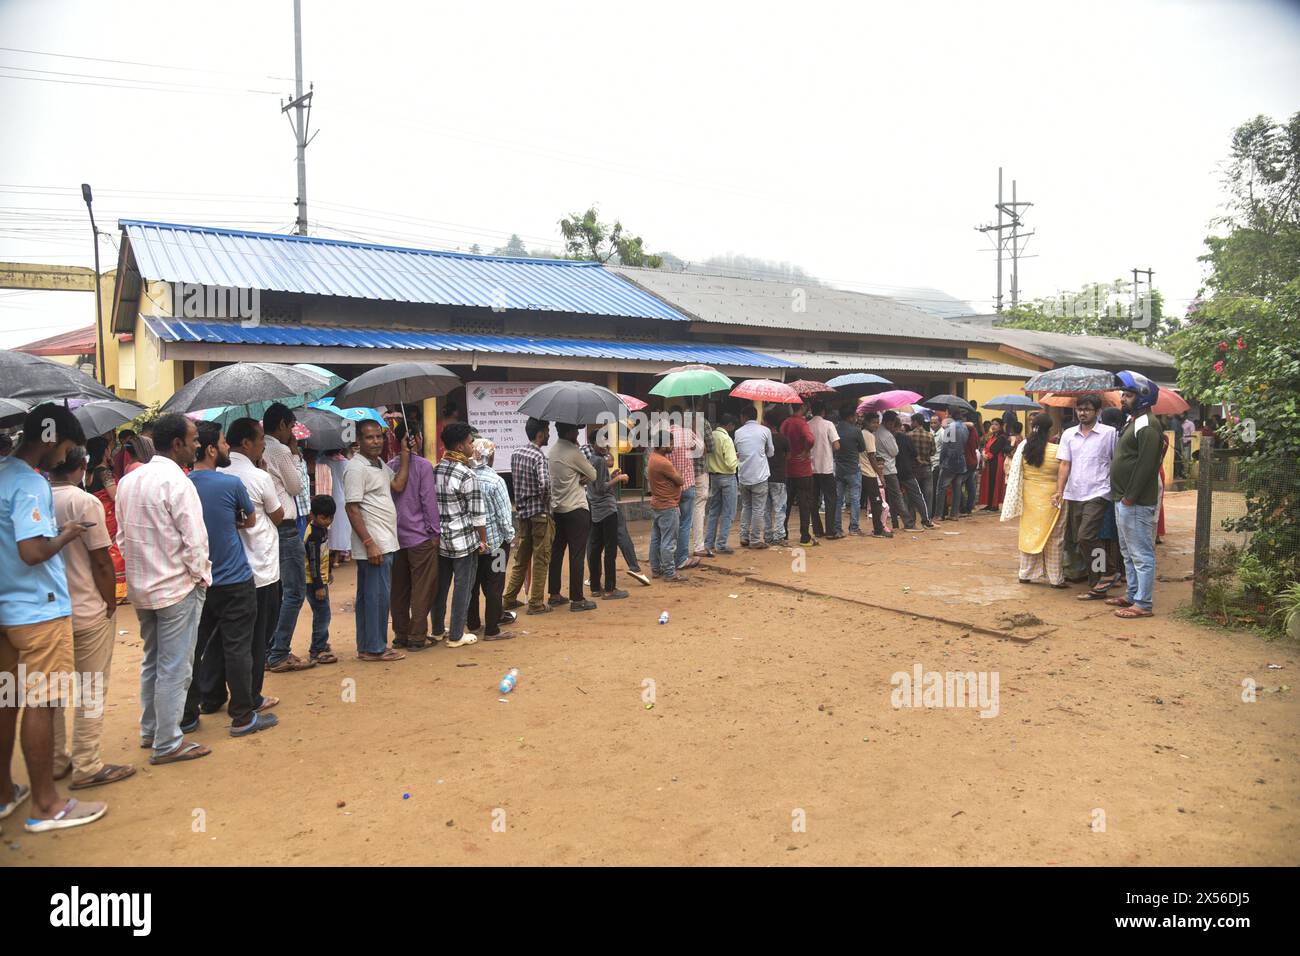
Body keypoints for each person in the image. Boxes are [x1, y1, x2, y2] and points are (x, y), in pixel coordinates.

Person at [0, 404, 110, 831]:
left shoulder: (3, 474)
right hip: (40, 611)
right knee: (43, 703)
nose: (64, 457)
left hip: (7, 609)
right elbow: (32, 551)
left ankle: (6, 793)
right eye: (65, 447)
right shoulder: (30, 483)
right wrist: (66, 534)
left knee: (7, 700)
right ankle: (47, 805)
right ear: (49, 438)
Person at [115, 412, 212, 765]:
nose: (198, 445)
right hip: (175, 588)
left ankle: (151, 730)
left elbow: (122, 538)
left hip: (144, 589)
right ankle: (168, 741)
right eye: (194, 440)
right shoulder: (179, 483)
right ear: (177, 444)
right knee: (175, 665)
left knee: (154, 661)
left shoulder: (130, 481)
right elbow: (195, 541)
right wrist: (199, 577)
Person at [48, 448, 135, 788]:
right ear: (82, 466)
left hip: (50, 611)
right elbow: (101, 560)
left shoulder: (34, 497)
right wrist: (109, 602)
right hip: (87, 607)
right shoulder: (84, 502)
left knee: (52, 690)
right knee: (91, 687)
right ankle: (87, 763)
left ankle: (56, 759)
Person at [185, 421, 278, 738]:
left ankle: (192, 712)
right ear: (211, 449)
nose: (228, 448)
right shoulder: (230, 484)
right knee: (238, 647)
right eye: (224, 443)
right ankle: (242, 715)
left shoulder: (183, 485)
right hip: (236, 579)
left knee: (195, 647)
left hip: (199, 580)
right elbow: (250, 520)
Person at [218, 419, 286, 708]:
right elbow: (278, 514)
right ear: (246, 443)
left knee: (226, 637)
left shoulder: (218, 472)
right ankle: (251, 696)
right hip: (261, 568)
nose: (263, 445)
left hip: (228, 568)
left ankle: (213, 694)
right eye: (260, 440)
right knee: (257, 639)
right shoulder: (258, 477)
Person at [345, 419, 410, 661]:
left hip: (384, 540)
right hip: (375, 543)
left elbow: (398, 483)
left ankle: (368, 646)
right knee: (377, 597)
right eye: (370, 438)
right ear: (359, 441)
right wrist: (370, 542)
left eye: (379, 437)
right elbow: (352, 508)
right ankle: (375, 647)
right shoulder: (356, 468)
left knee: (370, 597)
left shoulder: (379, 464)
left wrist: (404, 452)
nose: (376, 442)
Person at [1108, 372, 1165, 619]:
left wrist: (1130, 496)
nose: (1122, 398)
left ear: (1142, 397)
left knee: (1141, 553)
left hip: (1135, 501)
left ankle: (1143, 603)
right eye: (1123, 394)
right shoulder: (1134, 421)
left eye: (1128, 395)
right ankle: (1132, 595)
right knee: (1127, 552)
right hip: (1123, 499)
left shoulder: (1149, 425)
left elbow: (1147, 465)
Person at [262, 404, 313, 673]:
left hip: (271, 527)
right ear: (282, 424)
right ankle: (278, 651)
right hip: (287, 527)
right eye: (291, 426)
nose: (292, 432)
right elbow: (296, 486)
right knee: (294, 592)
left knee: (277, 591)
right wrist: (293, 454)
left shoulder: (261, 449)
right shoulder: (279, 450)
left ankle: (272, 648)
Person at [1052, 394, 1119, 598]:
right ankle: (1098, 583)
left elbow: (1116, 461)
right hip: (1075, 493)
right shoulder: (1069, 435)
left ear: (1097, 412)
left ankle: (1107, 572)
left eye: (1087, 409)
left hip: (1099, 492)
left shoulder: (1110, 434)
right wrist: (1059, 491)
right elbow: (1064, 464)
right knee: (1080, 540)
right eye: (1080, 409)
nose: (1082, 412)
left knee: (1086, 535)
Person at [433, 422, 488, 643]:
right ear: (459, 446)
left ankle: (437, 629)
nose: (472, 445)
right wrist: (483, 540)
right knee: (463, 587)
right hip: (464, 539)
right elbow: (478, 514)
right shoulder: (467, 475)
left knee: (441, 587)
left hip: (441, 538)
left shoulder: (435, 469)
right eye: (469, 442)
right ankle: (456, 634)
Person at [388, 423, 440, 652]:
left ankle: (401, 634)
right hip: (419, 536)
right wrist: (434, 532)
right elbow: (428, 501)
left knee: (399, 589)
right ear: (416, 439)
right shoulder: (423, 467)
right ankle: (417, 635)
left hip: (395, 536)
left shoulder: (388, 466)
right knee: (422, 588)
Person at [1002, 413, 1067, 587]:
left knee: (1029, 534)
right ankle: (1056, 578)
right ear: (1050, 429)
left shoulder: (1025, 449)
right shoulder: (1057, 451)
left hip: (1030, 496)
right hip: (1053, 497)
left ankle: (1025, 573)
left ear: (1032, 427)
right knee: (1054, 537)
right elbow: (1066, 470)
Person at [466, 438, 518, 639]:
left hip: (473, 543)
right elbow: (504, 516)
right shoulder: (496, 481)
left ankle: (472, 622)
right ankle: (492, 628)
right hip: (496, 545)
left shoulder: (467, 477)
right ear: (490, 456)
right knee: (495, 584)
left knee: (473, 585)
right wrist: (509, 538)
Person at [505, 418, 557, 614]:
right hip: (540, 514)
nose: (549, 435)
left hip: (523, 513)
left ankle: (509, 598)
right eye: (547, 431)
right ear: (540, 434)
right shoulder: (539, 456)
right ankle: (536, 602)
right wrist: (545, 502)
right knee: (541, 558)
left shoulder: (516, 453)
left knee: (522, 558)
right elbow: (545, 485)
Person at [547, 423, 597, 611]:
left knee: (557, 552)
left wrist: (579, 475)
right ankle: (577, 599)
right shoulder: (573, 452)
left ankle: (554, 594)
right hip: (576, 508)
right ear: (569, 432)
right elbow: (593, 473)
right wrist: (581, 475)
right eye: (575, 430)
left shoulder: (553, 451)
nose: (577, 432)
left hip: (558, 509)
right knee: (577, 554)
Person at [583, 425, 630, 598]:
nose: (606, 446)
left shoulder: (592, 460)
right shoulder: (599, 460)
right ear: (594, 444)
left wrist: (612, 476)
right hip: (606, 509)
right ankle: (610, 589)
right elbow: (602, 488)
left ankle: (595, 587)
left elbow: (597, 483)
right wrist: (618, 478)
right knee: (610, 549)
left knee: (596, 548)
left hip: (595, 509)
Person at [85, 436, 126, 603]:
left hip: (97, 513)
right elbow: (115, 495)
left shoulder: (89, 471)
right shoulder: (104, 472)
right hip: (109, 514)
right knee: (115, 550)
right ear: (104, 451)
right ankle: (117, 589)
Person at [648, 430, 688, 582]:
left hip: (658, 504)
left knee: (657, 538)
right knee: (668, 540)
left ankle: (656, 569)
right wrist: (678, 474)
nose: (672, 446)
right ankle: (670, 572)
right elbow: (680, 480)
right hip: (668, 505)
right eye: (670, 443)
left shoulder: (653, 457)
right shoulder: (663, 462)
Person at [302, 494, 338, 664]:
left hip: (320, 578)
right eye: (324, 518)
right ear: (313, 515)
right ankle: (317, 648)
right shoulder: (313, 535)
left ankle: (321, 642)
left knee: (323, 612)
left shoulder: (321, 529)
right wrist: (318, 586)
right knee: (323, 613)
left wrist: (329, 571)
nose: (328, 521)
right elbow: (313, 560)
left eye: (331, 517)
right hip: (313, 580)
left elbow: (325, 553)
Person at [733, 405, 774, 550]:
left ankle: (744, 536)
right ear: (756, 415)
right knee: (758, 509)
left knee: (746, 506)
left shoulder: (737, 432)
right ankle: (755, 539)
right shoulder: (765, 430)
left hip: (744, 475)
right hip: (760, 476)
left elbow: (738, 451)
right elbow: (771, 453)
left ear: (743, 417)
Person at [667, 419, 702, 569]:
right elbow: (701, 450)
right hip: (687, 484)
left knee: (669, 525)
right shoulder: (688, 433)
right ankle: (681, 559)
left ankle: (666, 560)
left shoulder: (664, 437)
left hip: (670, 487)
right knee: (685, 523)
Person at [781, 404, 817, 547]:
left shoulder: (786, 423)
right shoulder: (802, 424)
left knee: (786, 503)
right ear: (802, 408)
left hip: (789, 468)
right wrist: (806, 451)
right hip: (803, 469)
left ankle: (783, 533)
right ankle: (804, 536)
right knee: (804, 504)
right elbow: (810, 439)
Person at [703, 414, 739, 555]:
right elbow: (731, 464)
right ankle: (721, 543)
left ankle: (708, 543)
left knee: (714, 511)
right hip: (727, 476)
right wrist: (737, 458)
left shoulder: (711, 436)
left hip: (714, 477)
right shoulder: (726, 439)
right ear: (729, 425)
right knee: (729, 512)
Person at [892, 413, 933, 529]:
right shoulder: (927, 435)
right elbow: (920, 454)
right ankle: (926, 519)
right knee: (920, 495)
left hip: (893, 470)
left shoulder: (896, 437)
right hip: (910, 469)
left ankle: (899, 522)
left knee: (897, 498)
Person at [807, 401, 841, 539]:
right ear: (823, 412)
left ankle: (817, 529)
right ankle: (831, 531)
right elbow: (837, 445)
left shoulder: (807, 425)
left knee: (813, 500)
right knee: (830, 499)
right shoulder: (828, 424)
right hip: (826, 468)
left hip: (811, 468)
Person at [871, 411, 908, 530]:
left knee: (889, 498)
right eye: (892, 423)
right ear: (888, 422)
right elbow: (894, 452)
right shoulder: (886, 434)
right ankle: (908, 522)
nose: (893, 426)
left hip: (880, 468)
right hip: (889, 469)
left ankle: (895, 523)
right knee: (897, 496)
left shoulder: (876, 432)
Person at [316, 447, 353, 565]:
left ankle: (328, 556)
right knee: (341, 529)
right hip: (343, 498)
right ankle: (338, 557)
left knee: (328, 528)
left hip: (327, 497)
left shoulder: (322, 461)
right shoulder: (346, 463)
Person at [833, 404, 866, 536]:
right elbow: (862, 448)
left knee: (838, 500)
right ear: (850, 417)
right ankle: (854, 527)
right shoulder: (856, 431)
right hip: (853, 468)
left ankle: (837, 527)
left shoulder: (835, 429)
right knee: (855, 499)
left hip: (839, 469)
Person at [689, 413, 716, 558]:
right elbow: (711, 446)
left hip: (679, 472)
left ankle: (676, 548)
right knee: (699, 507)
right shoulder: (702, 421)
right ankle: (698, 546)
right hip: (699, 470)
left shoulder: (675, 421)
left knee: (680, 509)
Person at [858, 411, 889, 538]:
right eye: (873, 423)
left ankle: (878, 528)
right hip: (868, 472)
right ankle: (878, 529)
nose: (876, 425)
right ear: (866, 423)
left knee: (873, 502)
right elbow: (871, 456)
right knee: (877, 502)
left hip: (862, 470)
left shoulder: (861, 433)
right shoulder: (869, 435)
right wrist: (880, 474)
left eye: (877, 423)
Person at [935, 410, 969, 520]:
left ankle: (939, 515)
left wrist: (941, 461)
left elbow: (945, 447)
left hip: (950, 461)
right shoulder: (964, 427)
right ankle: (954, 514)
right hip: (961, 460)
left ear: (950, 414)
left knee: (941, 488)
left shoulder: (951, 428)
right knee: (957, 488)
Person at [763, 408, 789, 544]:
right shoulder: (783, 439)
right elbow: (788, 456)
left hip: (764, 477)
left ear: (766, 422)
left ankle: (767, 535)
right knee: (780, 508)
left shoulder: (763, 438)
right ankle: (779, 535)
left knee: (766, 509)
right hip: (779, 477)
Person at [978, 420, 1011, 511]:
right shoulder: (992, 436)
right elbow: (986, 446)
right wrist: (984, 453)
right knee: (989, 482)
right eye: (992, 424)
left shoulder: (1001, 437)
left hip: (996, 462)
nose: (993, 426)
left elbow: (994, 450)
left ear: (1000, 426)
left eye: (996, 424)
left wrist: (986, 455)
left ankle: (994, 504)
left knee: (994, 482)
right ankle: (989, 503)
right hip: (990, 461)